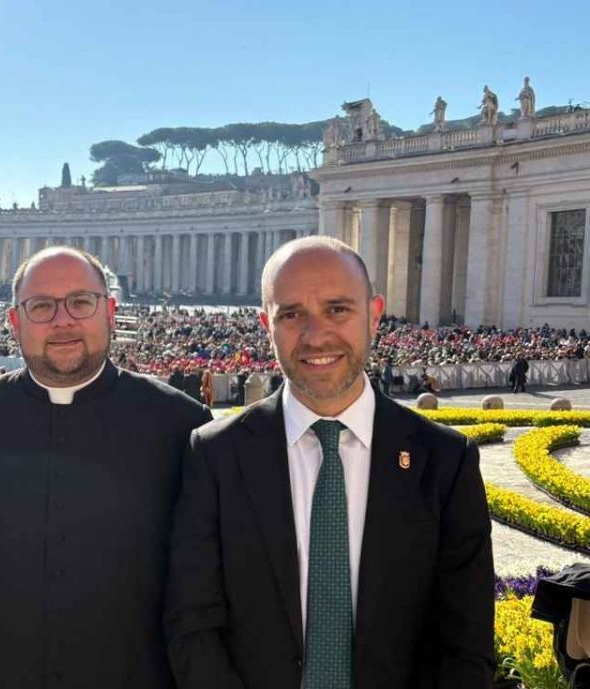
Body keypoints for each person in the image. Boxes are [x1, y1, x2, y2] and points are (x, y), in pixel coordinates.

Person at [166, 236, 494, 689]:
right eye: (292, 314)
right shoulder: (214, 454)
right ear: (266, 324)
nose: (316, 335)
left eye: (337, 309)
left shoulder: (444, 460)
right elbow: (193, 624)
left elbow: (465, 642)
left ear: (374, 315)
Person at [0, 246, 212, 688]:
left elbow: (199, 573)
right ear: (15, 322)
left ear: (110, 312)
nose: (63, 321)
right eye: (41, 306)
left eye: (81, 302)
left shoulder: (181, 423)